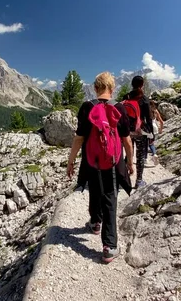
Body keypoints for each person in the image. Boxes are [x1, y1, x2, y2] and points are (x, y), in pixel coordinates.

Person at [68, 71, 134, 263]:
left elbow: (79, 138)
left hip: (91, 159)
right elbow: (127, 140)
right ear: (112, 89)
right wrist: (130, 161)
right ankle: (110, 246)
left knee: (94, 190)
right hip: (113, 161)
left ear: (95, 88)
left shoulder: (87, 107)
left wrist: (71, 161)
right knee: (110, 198)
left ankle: (95, 223)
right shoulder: (119, 108)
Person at [122, 75, 153, 189]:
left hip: (127, 132)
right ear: (142, 85)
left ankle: (124, 178)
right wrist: (151, 134)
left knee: (129, 154)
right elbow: (148, 118)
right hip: (140, 131)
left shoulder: (127, 97)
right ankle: (139, 181)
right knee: (139, 157)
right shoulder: (144, 99)